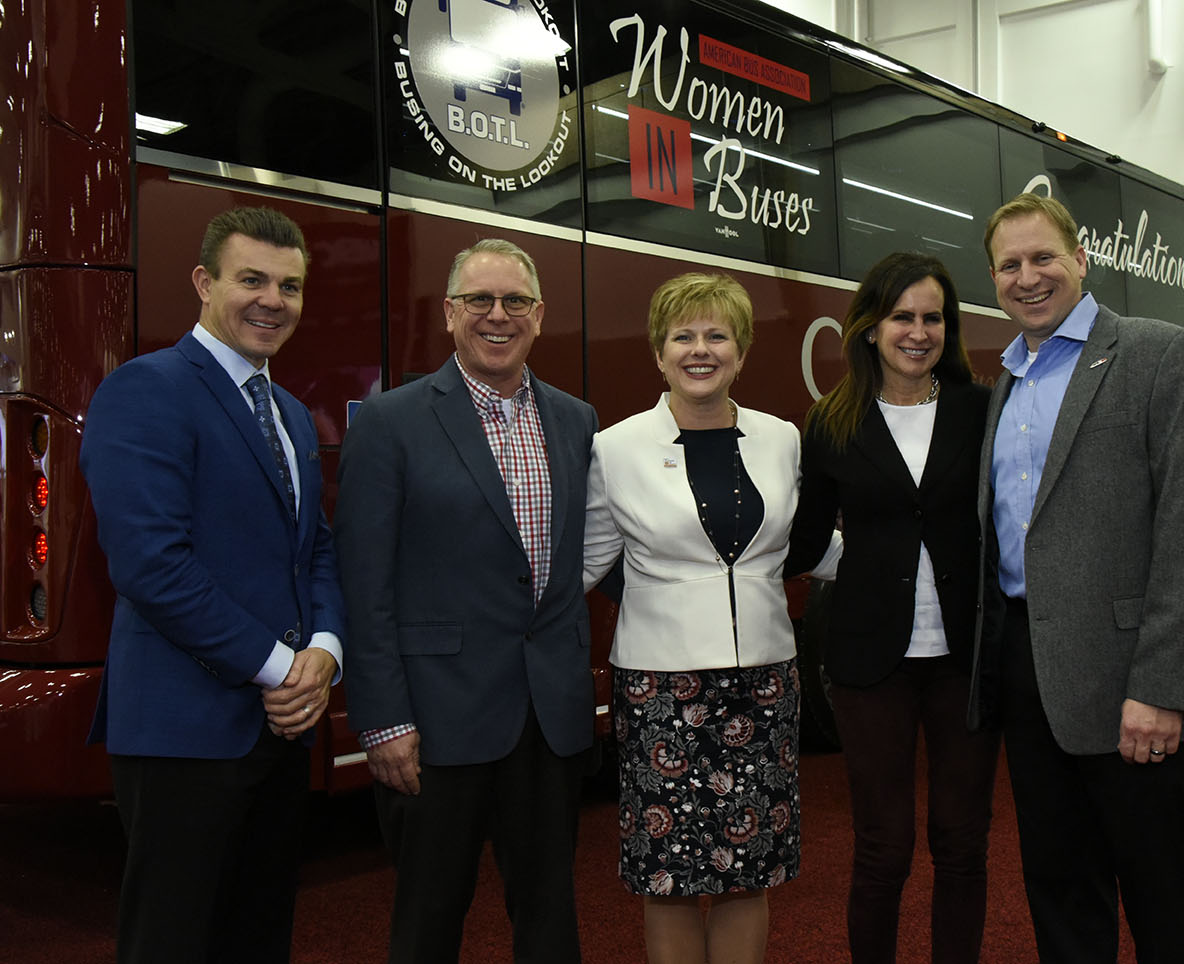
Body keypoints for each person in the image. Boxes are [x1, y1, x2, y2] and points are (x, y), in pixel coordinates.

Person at [969, 192, 1184, 963]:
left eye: (1043, 257)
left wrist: (1160, 687)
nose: (1027, 277)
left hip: (1134, 681)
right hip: (1030, 675)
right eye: (1009, 265)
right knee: (1060, 897)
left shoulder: (1161, 353)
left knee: (1162, 904)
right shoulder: (1006, 383)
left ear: (1081, 259)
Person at [79, 206, 344, 964]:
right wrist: (280, 669)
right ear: (203, 281)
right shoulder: (145, 390)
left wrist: (324, 651)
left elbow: (314, 551)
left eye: (289, 286)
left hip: (280, 728)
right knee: (174, 937)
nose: (272, 300)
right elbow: (151, 565)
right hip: (183, 729)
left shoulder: (289, 412)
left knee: (258, 932)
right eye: (251, 279)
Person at [334, 238, 598, 964]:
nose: (497, 315)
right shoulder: (391, 422)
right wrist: (382, 718)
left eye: (515, 301)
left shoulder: (577, 421)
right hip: (434, 720)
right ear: (449, 313)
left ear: (539, 315)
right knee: (428, 920)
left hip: (550, 720)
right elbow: (365, 579)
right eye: (479, 300)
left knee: (549, 915)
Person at [583, 273, 805, 964]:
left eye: (717, 335)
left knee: (749, 873)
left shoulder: (782, 439)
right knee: (670, 875)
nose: (699, 349)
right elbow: (587, 562)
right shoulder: (615, 447)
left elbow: (810, 544)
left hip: (765, 685)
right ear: (658, 352)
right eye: (684, 335)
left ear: (741, 349)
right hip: (660, 691)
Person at [785, 252, 1000, 964]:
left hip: (965, 660)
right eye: (901, 316)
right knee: (883, 848)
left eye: (932, 317)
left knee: (962, 841)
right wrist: (873, 567)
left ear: (950, 328)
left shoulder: (981, 409)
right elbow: (806, 541)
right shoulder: (831, 421)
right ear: (870, 327)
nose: (918, 331)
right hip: (868, 663)